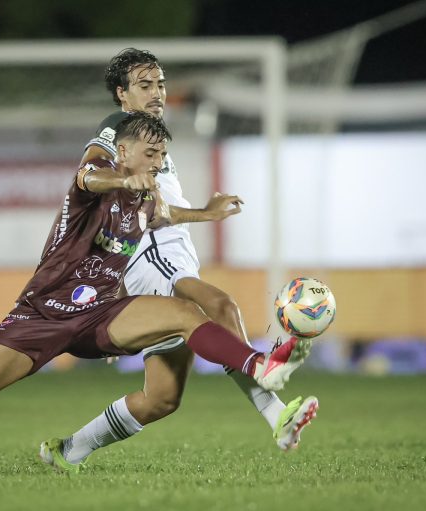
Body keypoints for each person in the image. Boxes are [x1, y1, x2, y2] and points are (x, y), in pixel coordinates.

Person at [0, 112, 303, 480]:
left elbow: (167, 213)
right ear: (123, 152)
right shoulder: (95, 184)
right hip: (42, 315)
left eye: (162, 157)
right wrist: (124, 180)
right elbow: (89, 177)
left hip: (100, 314)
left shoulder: (148, 201)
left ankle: (258, 366)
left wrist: (210, 212)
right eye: (149, 155)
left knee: (186, 312)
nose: (156, 165)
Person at [39, 49, 318, 473]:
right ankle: (274, 410)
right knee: (220, 306)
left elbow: (134, 215)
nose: (157, 93)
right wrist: (201, 211)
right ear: (122, 93)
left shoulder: (151, 139)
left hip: (163, 257)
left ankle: (69, 450)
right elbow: (94, 173)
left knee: (161, 399)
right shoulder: (117, 128)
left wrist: (111, 288)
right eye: (145, 85)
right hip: (156, 259)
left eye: (161, 83)